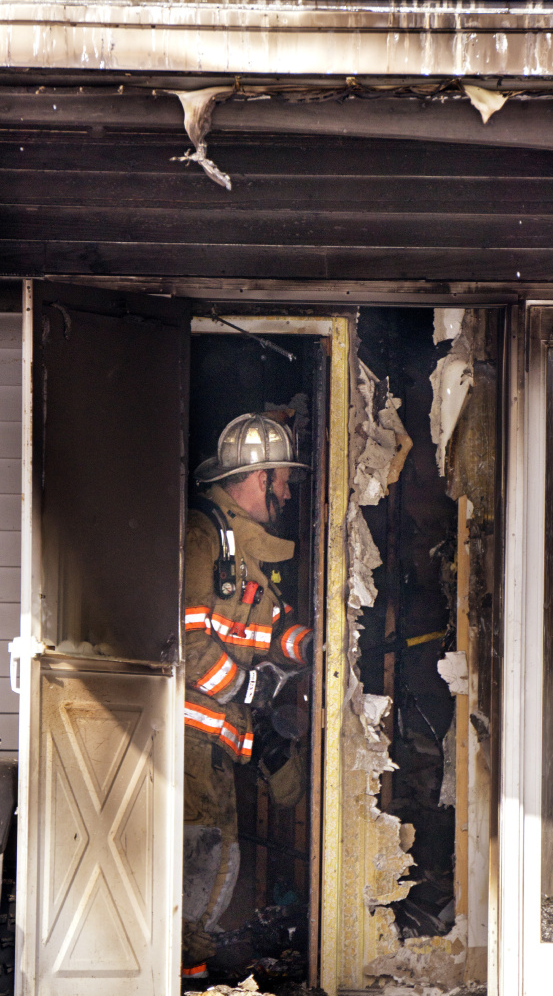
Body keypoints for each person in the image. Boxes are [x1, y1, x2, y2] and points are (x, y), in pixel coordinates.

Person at [182, 413, 312, 979]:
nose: (287, 491)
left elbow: (269, 628)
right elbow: (183, 640)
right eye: (281, 479)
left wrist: (315, 646)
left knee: (211, 858)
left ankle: (185, 969)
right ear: (256, 478)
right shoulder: (201, 535)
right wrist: (248, 686)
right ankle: (176, 973)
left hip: (214, 738)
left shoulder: (244, 551)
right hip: (189, 735)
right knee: (200, 855)